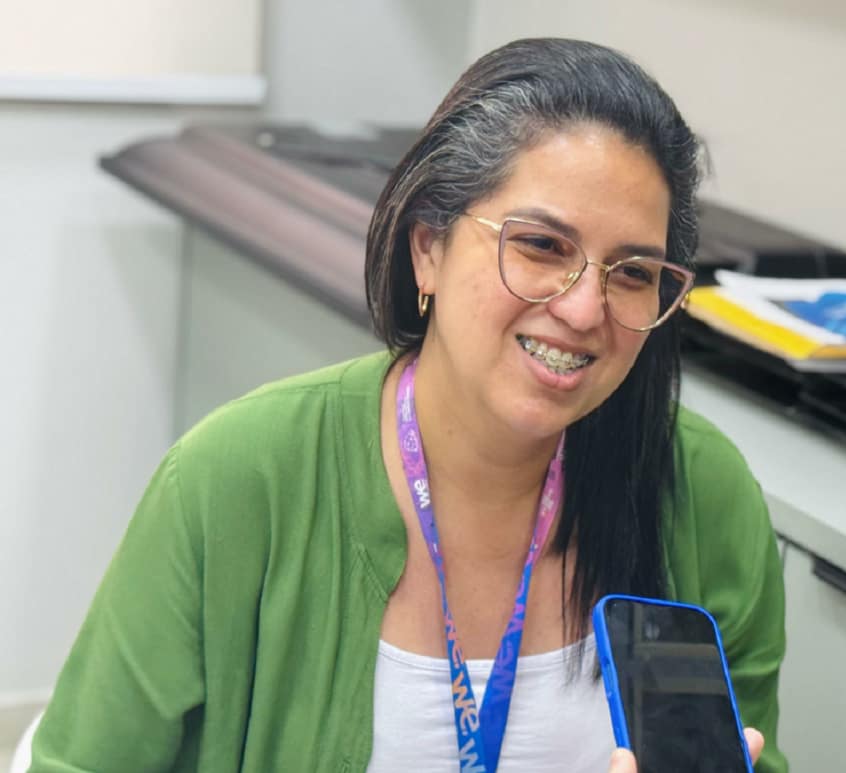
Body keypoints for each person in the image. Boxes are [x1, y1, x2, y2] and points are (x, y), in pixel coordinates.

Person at [27, 38, 786, 772]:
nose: (585, 308)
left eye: (631, 271)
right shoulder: (231, 481)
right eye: (541, 245)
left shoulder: (703, 495)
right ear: (429, 247)